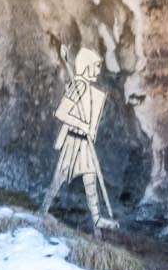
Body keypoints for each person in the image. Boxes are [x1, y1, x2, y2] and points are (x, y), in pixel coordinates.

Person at [42, 47, 115, 232]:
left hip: (84, 142)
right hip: (73, 141)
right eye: (96, 67)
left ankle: (97, 219)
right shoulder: (78, 86)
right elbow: (62, 112)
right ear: (87, 67)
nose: (98, 71)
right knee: (60, 176)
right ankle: (43, 209)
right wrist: (81, 124)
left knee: (90, 178)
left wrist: (88, 128)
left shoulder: (87, 88)